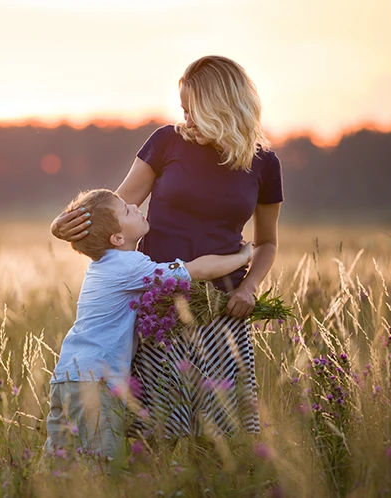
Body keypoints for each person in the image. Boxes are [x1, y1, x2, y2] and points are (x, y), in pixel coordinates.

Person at [50, 55, 283, 439]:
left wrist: (249, 286)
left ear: (222, 107)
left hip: (223, 311)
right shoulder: (166, 142)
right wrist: (65, 225)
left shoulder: (264, 164)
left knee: (223, 434)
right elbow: (116, 209)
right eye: (183, 109)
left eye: (194, 110)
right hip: (159, 310)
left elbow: (267, 243)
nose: (186, 119)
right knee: (154, 432)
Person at [45, 188, 253, 463]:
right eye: (126, 210)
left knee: (60, 460)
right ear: (117, 238)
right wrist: (242, 257)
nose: (134, 205)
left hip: (68, 376)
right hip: (96, 380)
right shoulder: (129, 265)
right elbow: (197, 270)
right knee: (103, 465)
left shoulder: (102, 265)